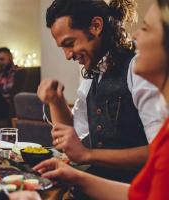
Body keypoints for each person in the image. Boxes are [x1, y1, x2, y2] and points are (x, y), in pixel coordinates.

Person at [34, 1, 169, 199]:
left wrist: (88, 155)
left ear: (96, 26)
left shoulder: (138, 70)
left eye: (70, 43)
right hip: (98, 185)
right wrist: (56, 101)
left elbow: (159, 153)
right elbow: (74, 140)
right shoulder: (93, 75)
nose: (67, 55)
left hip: (136, 187)